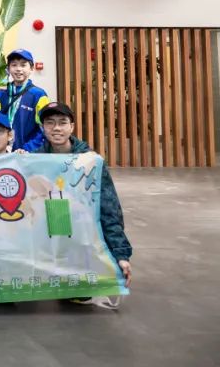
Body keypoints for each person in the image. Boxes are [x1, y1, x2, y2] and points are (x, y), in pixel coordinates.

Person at [33, 102, 133, 299]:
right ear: (43, 127)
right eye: (50, 122)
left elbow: (109, 208)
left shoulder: (90, 162)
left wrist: (120, 254)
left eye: (62, 122)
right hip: (47, 234)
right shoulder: (34, 161)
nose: (56, 128)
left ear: (72, 126)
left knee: (79, 293)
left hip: (81, 233)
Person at [0, 49, 51, 152]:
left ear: (31, 68)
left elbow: (44, 128)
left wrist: (27, 149)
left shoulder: (39, 95)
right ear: (8, 69)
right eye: (14, 65)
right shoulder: (1, 94)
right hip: (2, 153)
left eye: (23, 65)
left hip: (28, 154)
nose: (18, 69)